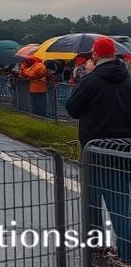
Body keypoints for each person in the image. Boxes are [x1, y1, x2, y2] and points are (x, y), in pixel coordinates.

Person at [66, 36, 131, 261]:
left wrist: (86, 77)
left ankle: (103, 247)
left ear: (95, 54)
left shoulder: (91, 81)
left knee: (94, 203)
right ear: (114, 54)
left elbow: (73, 109)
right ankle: (123, 249)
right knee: (120, 201)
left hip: (95, 149)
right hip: (123, 149)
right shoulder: (127, 79)